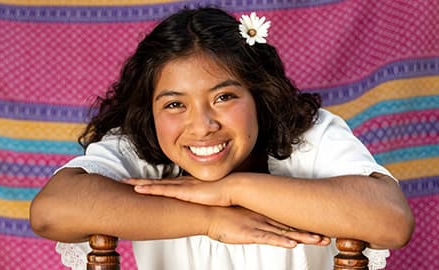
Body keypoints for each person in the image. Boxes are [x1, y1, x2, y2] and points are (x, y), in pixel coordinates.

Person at [29, 7, 414, 270]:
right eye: (175, 104)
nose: (201, 126)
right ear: (150, 110)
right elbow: (52, 212)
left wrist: (232, 190)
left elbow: (390, 221)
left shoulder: (310, 137)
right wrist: (211, 218)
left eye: (224, 97)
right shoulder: (147, 142)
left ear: (259, 95)